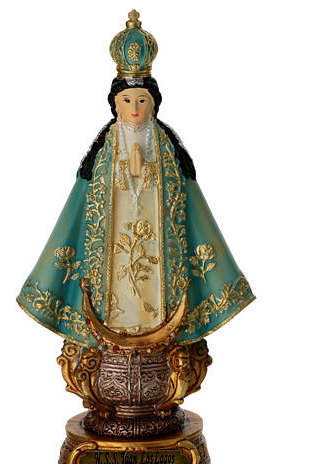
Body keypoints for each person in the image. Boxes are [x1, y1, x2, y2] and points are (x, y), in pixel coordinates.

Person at [17, 11, 255, 348]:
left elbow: (180, 191)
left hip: (158, 243)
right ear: (114, 104)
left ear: (153, 105)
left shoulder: (165, 145)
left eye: (142, 101)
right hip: (113, 241)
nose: (134, 109)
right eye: (126, 101)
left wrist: (151, 173)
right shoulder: (106, 147)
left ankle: (162, 330)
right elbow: (90, 193)